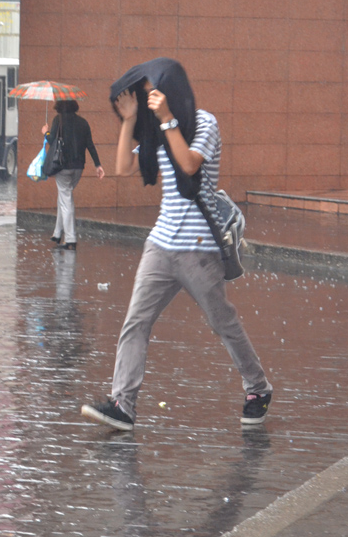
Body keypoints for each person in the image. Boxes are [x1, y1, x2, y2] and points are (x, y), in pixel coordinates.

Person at [81, 58, 273, 431]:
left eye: (156, 90)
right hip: (160, 245)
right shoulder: (154, 129)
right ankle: (123, 404)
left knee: (223, 323)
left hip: (199, 249)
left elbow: (189, 164)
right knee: (135, 322)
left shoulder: (205, 123)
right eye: (147, 92)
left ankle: (258, 387)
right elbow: (122, 168)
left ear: (174, 89)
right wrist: (131, 121)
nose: (151, 97)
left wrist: (167, 118)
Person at [40, 99, 105, 250]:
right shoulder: (83, 122)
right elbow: (90, 144)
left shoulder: (59, 120)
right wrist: (98, 164)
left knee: (66, 200)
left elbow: (52, 140)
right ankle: (57, 233)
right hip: (78, 167)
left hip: (62, 166)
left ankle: (70, 239)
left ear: (59, 107)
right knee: (64, 198)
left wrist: (45, 132)